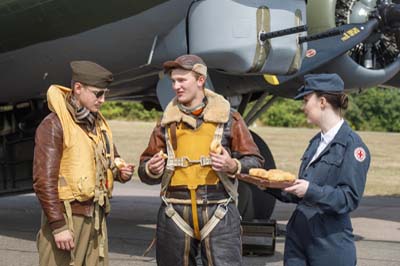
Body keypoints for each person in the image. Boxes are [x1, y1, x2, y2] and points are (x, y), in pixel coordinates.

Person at [138, 54, 263, 266]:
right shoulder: (166, 124)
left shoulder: (229, 119)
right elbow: (144, 170)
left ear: (200, 80)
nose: (176, 86)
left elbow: (256, 162)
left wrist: (233, 165)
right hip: (174, 210)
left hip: (219, 208)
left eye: (182, 80)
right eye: (174, 81)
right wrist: (151, 168)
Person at [33, 60, 134, 266]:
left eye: (105, 94)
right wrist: (58, 225)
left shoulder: (97, 125)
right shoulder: (54, 125)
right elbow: (43, 181)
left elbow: (109, 160)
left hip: (96, 218)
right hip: (68, 218)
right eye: (98, 94)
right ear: (78, 88)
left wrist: (121, 172)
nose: (103, 100)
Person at [264, 73, 370, 265]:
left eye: (306, 100)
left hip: (328, 243)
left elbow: (348, 199)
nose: (303, 107)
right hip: (299, 237)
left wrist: (309, 190)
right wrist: (267, 185)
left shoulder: (353, 146)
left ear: (322, 102)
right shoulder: (316, 143)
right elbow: (300, 192)